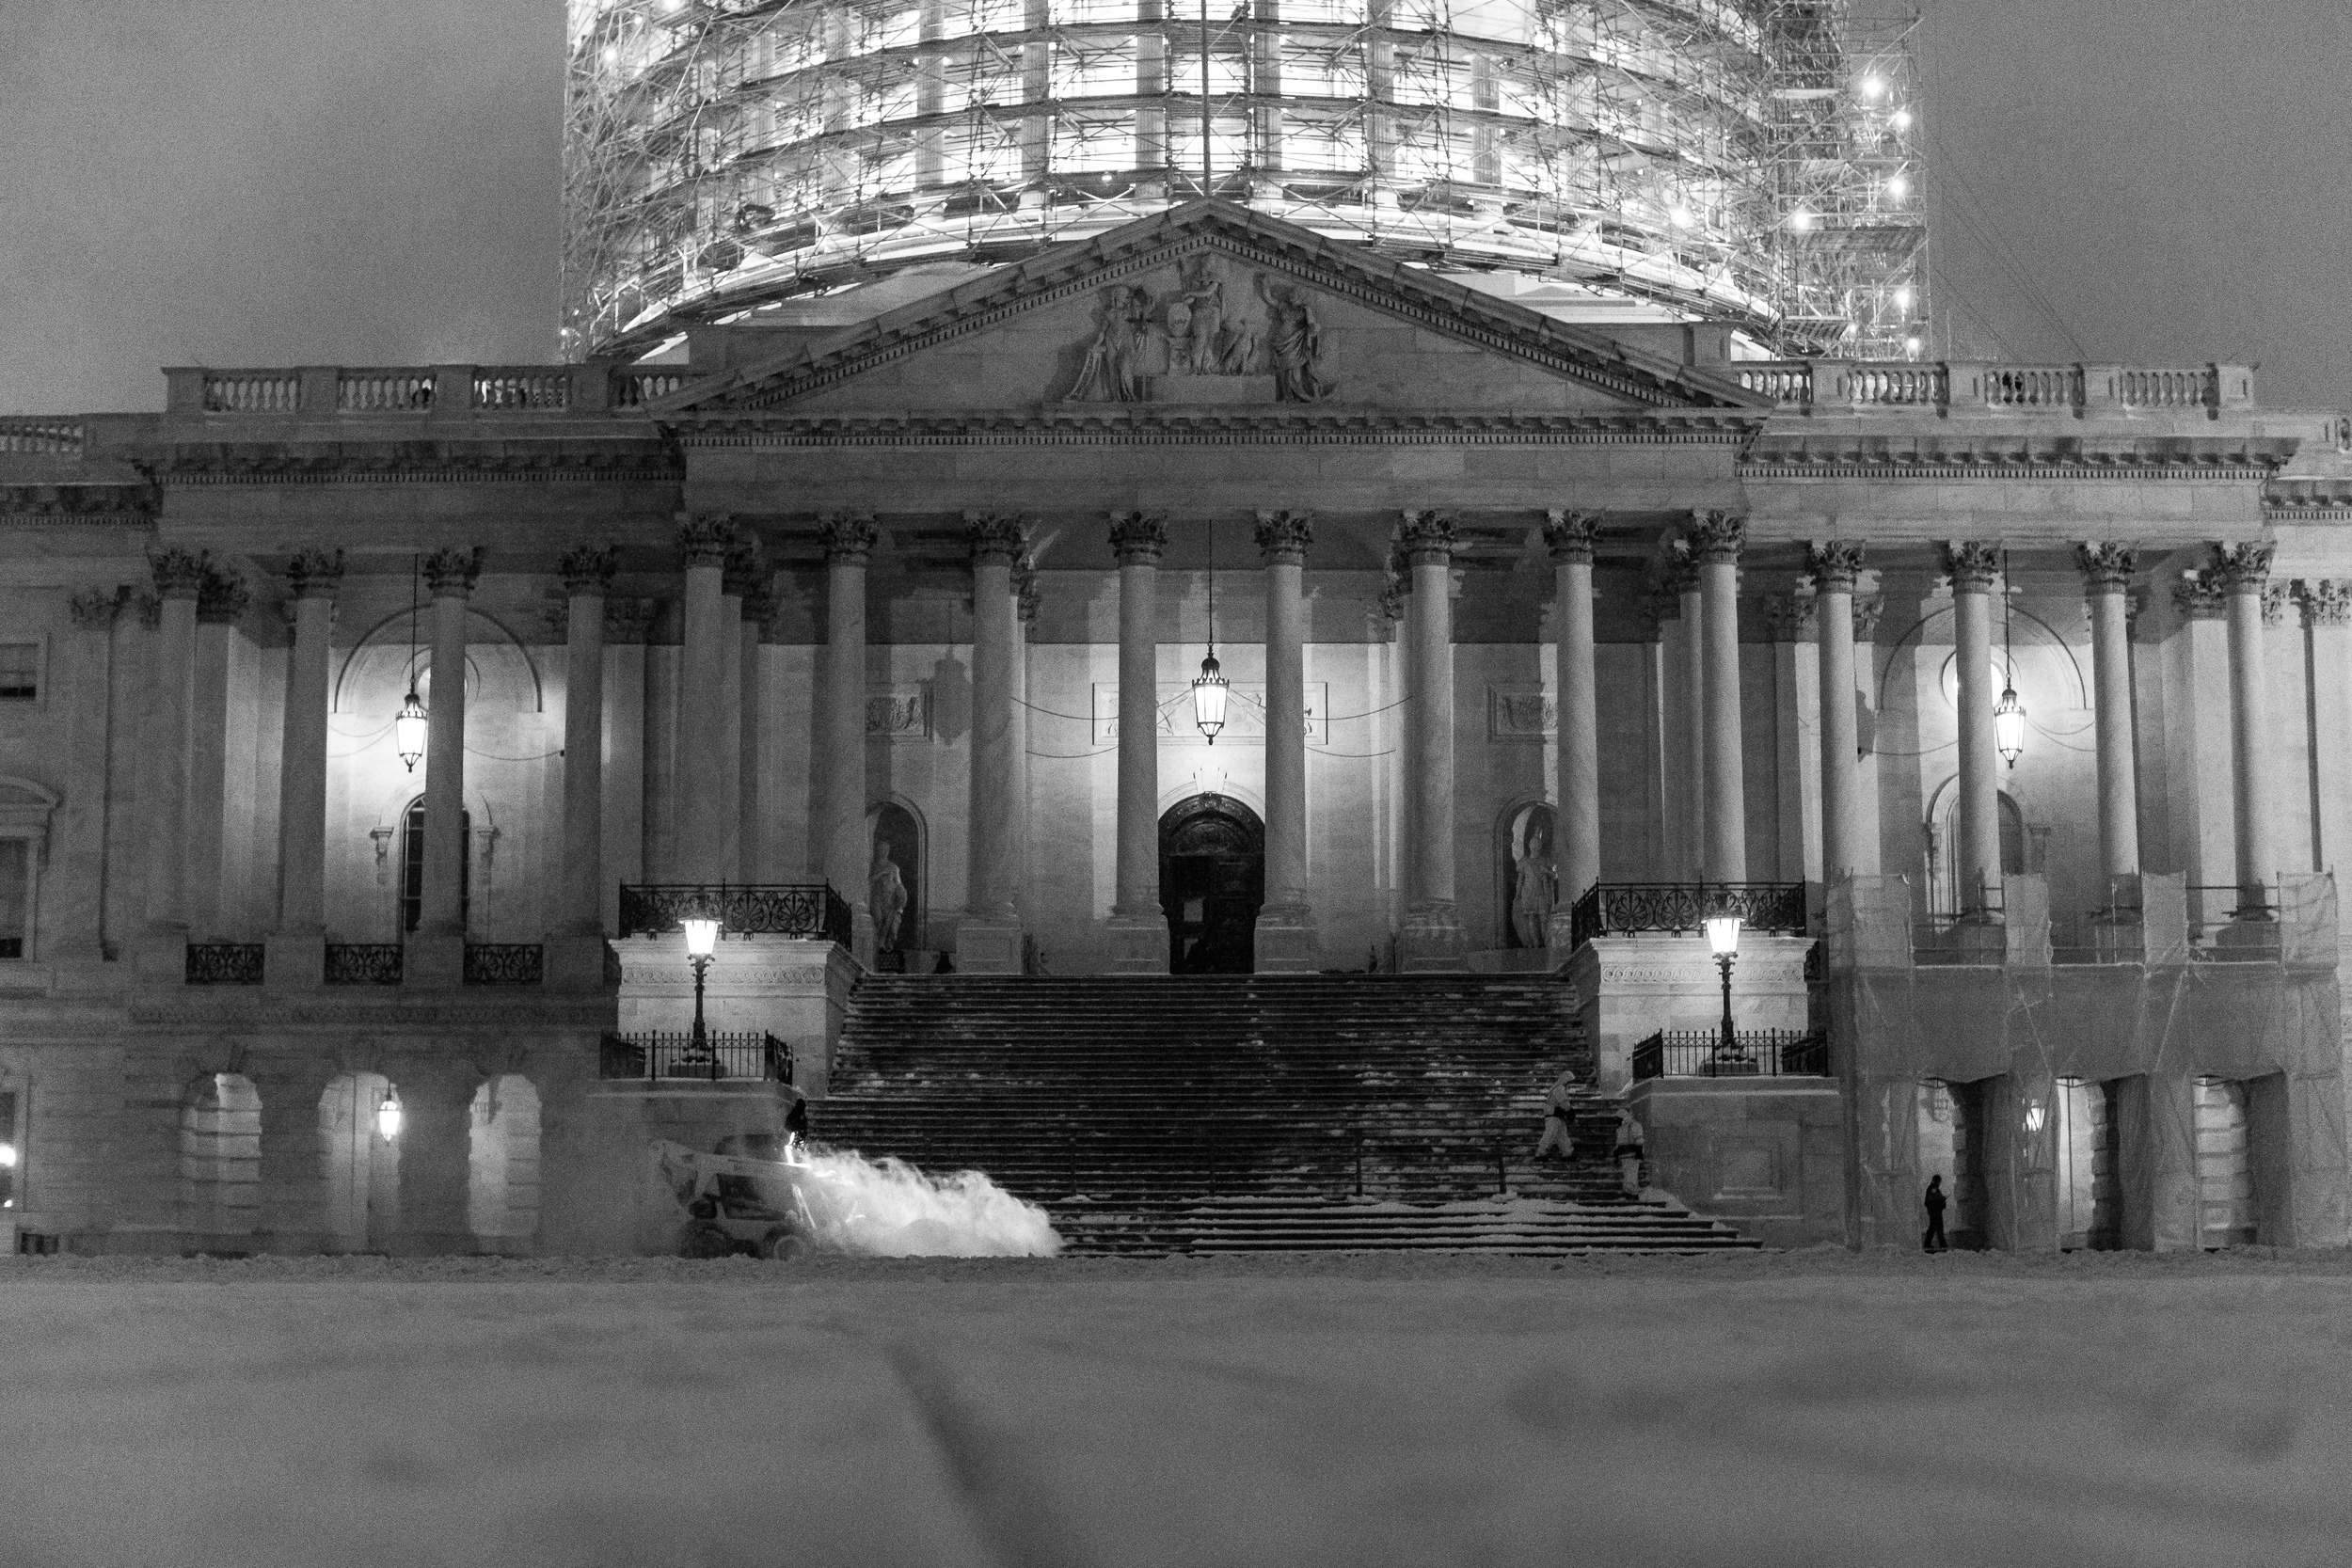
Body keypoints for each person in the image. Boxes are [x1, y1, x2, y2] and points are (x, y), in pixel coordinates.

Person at [868, 841, 908, 956]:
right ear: (877, 851)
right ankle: (874, 944)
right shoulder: (872, 866)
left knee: (887, 925)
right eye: (881, 850)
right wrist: (880, 874)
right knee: (877, 918)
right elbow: (869, 881)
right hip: (877, 897)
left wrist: (902, 895)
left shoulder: (893, 867)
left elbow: (899, 884)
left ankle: (881, 946)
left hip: (889, 899)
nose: (884, 852)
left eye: (886, 850)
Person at [1534, 1068, 1578, 1161]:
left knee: (1562, 1135)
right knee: (1550, 1134)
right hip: (1553, 1114)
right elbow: (1563, 1102)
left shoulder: (1558, 1087)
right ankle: (1540, 1153)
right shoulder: (1559, 1088)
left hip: (1557, 1114)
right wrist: (1570, 1111)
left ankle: (1567, 1153)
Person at [1613, 1108, 1645, 1196]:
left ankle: (1631, 1194)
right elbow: (1619, 1143)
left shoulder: (1634, 1125)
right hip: (1624, 1156)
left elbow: (1639, 1139)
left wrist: (1639, 1153)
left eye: (1618, 1119)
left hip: (1632, 1155)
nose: (1616, 1121)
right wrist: (1617, 1154)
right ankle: (1629, 1192)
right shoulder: (1620, 1129)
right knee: (1628, 1175)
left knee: (1631, 1176)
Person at [1922, 1173, 1948, 1252]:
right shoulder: (1933, 1189)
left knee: (1934, 1227)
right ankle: (1941, 1244)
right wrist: (1942, 1200)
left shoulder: (1932, 1188)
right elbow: (1936, 1199)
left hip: (1934, 1211)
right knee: (1937, 1227)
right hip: (1935, 1212)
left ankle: (1938, 1243)